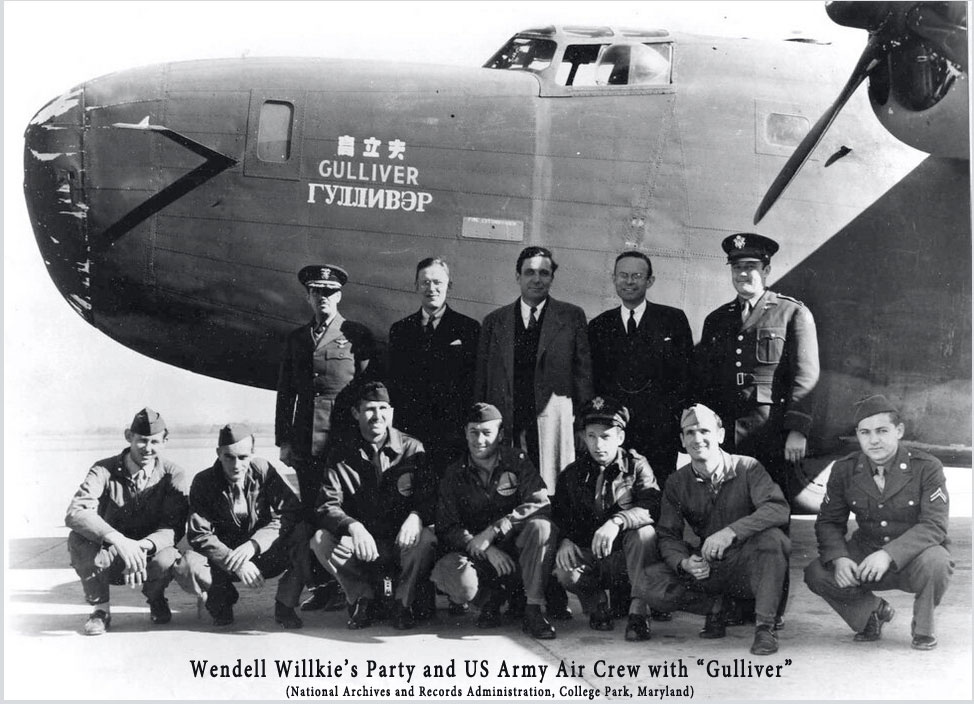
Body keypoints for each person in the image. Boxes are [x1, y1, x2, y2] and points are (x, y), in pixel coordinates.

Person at [695, 232, 819, 625]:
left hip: (770, 437)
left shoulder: (792, 313)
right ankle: (735, 602)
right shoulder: (717, 319)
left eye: (751, 267)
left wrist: (797, 429)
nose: (743, 274)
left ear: (766, 269)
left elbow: (805, 376)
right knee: (727, 517)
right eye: (737, 267)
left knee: (771, 522)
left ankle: (770, 608)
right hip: (728, 442)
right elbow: (705, 381)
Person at [639, 404, 791, 656]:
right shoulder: (677, 482)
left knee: (774, 539)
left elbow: (778, 509)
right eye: (690, 433)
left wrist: (731, 532)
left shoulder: (748, 468)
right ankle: (718, 607)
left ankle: (765, 627)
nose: (697, 439)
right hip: (712, 568)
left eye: (704, 431)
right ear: (682, 441)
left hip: (748, 567)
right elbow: (668, 534)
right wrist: (684, 563)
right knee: (647, 582)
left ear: (720, 435)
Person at [804, 395, 952, 650]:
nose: (873, 440)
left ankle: (923, 629)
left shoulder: (926, 467)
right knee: (817, 572)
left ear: (899, 431)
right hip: (866, 555)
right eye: (865, 432)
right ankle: (871, 613)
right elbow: (828, 522)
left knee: (938, 561)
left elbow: (934, 525)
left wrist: (888, 554)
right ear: (858, 435)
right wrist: (839, 558)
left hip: (914, 558)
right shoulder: (845, 469)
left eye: (882, 431)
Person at [275, 263, 375, 611]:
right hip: (306, 441)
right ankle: (323, 586)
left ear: (340, 295)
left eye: (330, 292)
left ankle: (357, 584)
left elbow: (368, 390)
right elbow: (286, 393)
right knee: (312, 513)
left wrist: (365, 439)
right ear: (308, 296)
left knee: (346, 511)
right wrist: (284, 440)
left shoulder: (356, 334)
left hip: (345, 441)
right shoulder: (296, 339)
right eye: (317, 291)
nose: (323, 297)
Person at [310, 382, 437, 630]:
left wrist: (416, 516)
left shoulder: (412, 448)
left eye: (383, 408)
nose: (377, 416)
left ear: (391, 412)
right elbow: (326, 504)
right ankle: (362, 598)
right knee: (320, 540)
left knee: (427, 539)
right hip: (364, 544)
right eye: (369, 409)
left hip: (402, 542)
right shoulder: (341, 453)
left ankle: (403, 602)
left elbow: (430, 496)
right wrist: (353, 527)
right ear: (356, 413)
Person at [432, 403, 559, 639]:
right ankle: (490, 600)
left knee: (542, 527)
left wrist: (495, 530)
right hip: (478, 554)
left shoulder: (517, 462)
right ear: (465, 433)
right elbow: (446, 526)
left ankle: (532, 608)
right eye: (473, 432)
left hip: (516, 551)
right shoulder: (454, 473)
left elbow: (539, 502)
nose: (479, 440)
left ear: (500, 435)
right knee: (450, 573)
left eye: (487, 433)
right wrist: (485, 547)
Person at [475, 245, 593, 491]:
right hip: (508, 422)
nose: (537, 279)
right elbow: (482, 379)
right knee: (507, 488)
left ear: (552, 278)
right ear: (518, 276)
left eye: (544, 273)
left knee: (552, 489)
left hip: (552, 427)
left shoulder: (571, 317)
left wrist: (583, 425)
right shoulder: (495, 322)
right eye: (530, 272)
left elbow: (583, 376)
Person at [65, 408, 189, 635]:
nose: (148, 448)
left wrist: (141, 547)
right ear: (128, 436)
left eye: (154, 442)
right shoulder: (103, 469)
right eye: (142, 440)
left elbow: (174, 526)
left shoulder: (173, 474)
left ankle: (155, 598)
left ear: (165, 441)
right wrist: (119, 541)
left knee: (167, 558)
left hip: (149, 553)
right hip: (112, 553)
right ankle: (101, 610)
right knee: (78, 540)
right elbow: (77, 511)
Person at [176, 424, 307, 629]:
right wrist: (235, 562)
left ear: (252, 453)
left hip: (262, 553)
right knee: (189, 564)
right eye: (229, 457)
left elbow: (290, 511)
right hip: (224, 561)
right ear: (218, 453)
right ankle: (222, 598)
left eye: (243, 457)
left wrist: (255, 544)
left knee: (303, 532)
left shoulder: (263, 470)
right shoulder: (203, 481)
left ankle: (285, 604)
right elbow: (199, 534)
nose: (236, 465)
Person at [552, 396, 661, 641]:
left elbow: (651, 506)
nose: (598, 444)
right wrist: (565, 540)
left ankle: (638, 612)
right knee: (564, 570)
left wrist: (618, 521)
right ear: (583, 437)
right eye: (591, 436)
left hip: (626, 558)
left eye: (605, 436)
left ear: (620, 437)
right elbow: (560, 515)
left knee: (644, 533)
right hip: (592, 556)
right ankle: (597, 604)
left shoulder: (636, 467)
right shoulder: (572, 474)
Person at [588, 251, 692, 487]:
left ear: (650, 281)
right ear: (614, 279)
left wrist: (675, 420)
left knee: (657, 490)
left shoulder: (672, 320)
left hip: (659, 431)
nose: (629, 281)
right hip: (615, 430)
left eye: (637, 276)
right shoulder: (599, 325)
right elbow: (595, 379)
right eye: (623, 275)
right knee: (616, 490)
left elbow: (686, 375)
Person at [388, 257, 480, 476]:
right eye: (425, 282)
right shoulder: (400, 330)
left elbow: (473, 383)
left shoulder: (468, 329)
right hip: (411, 432)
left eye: (438, 282)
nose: (431, 288)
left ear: (449, 285)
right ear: (416, 286)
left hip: (451, 433)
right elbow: (394, 383)